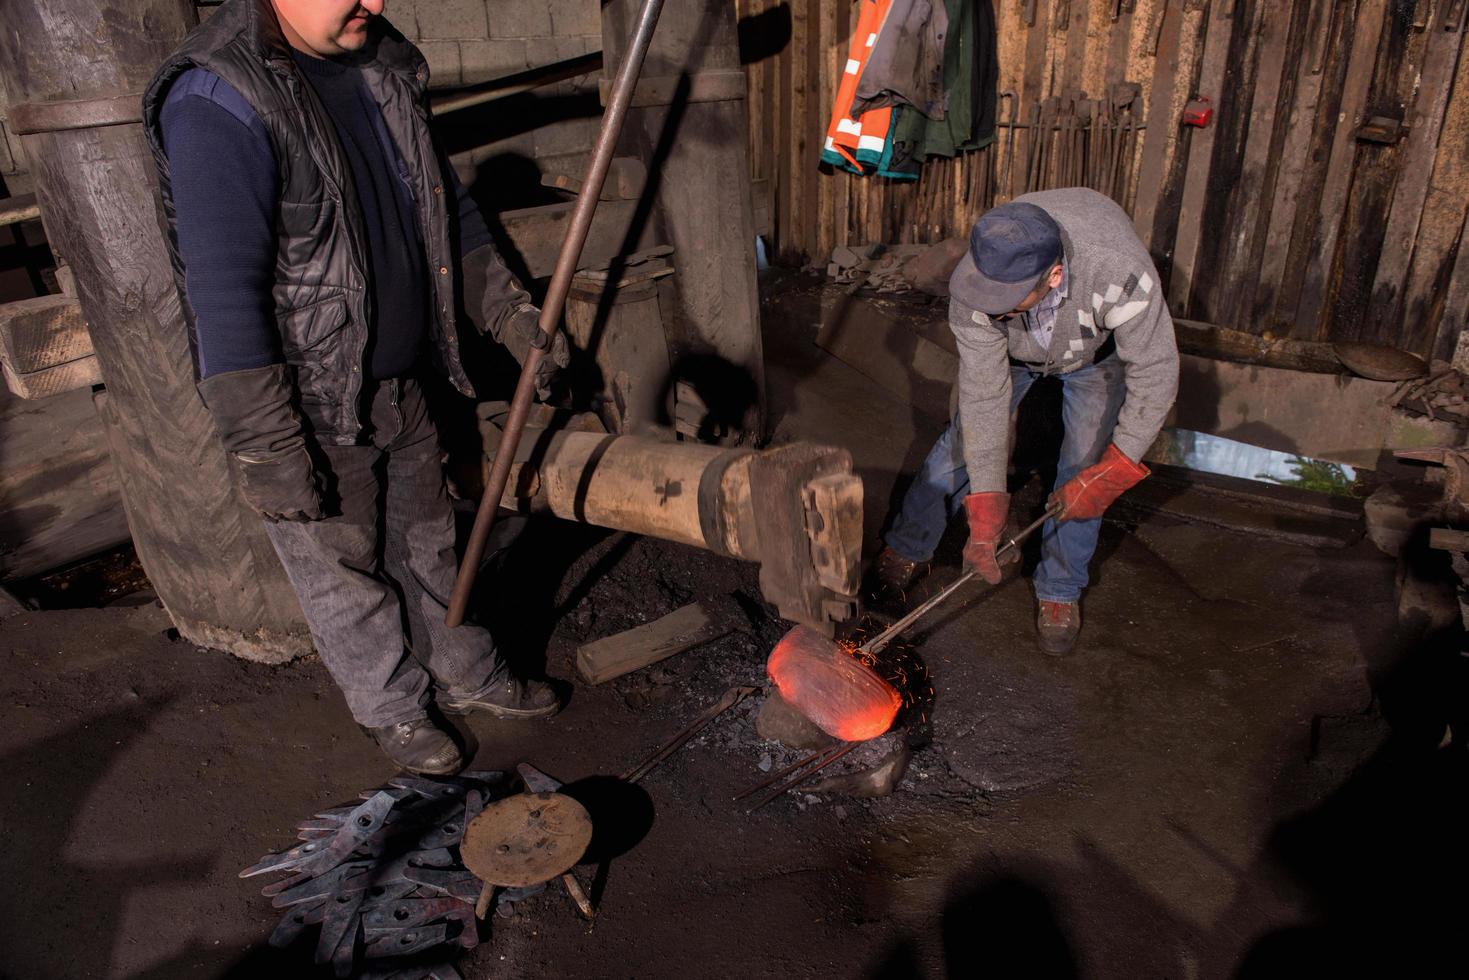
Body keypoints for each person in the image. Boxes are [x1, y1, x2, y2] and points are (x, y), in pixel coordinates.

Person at [141, 0, 571, 774]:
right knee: (343, 571)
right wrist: (269, 446)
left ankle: (465, 674)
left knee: (433, 544)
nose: (374, 2)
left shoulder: (378, 66)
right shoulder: (218, 100)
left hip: (396, 381)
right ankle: (394, 709)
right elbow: (224, 291)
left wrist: (509, 315)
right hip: (306, 403)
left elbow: (450, 213)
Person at [871, 188, 1179, 655]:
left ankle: (1059, 589)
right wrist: (987, 516)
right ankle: (909, 546)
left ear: (1054, 275)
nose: (989, 307)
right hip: (1013, 355)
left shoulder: (1119, 272)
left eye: (1006, 299)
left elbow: (1156, 370)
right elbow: (984, 400)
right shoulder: (979, 278)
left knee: (1084, 464)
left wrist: (1117, 466)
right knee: (962, 442)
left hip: (1091, 354)